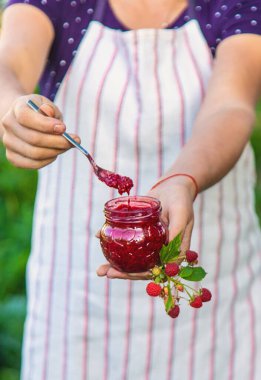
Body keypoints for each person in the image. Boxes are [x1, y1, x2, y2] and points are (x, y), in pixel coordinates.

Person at [0, 0, 261, 379]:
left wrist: (183, 179)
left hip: (217, 303)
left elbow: (231, 105)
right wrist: (12, 108)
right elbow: (8, 64)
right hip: (77, 299)